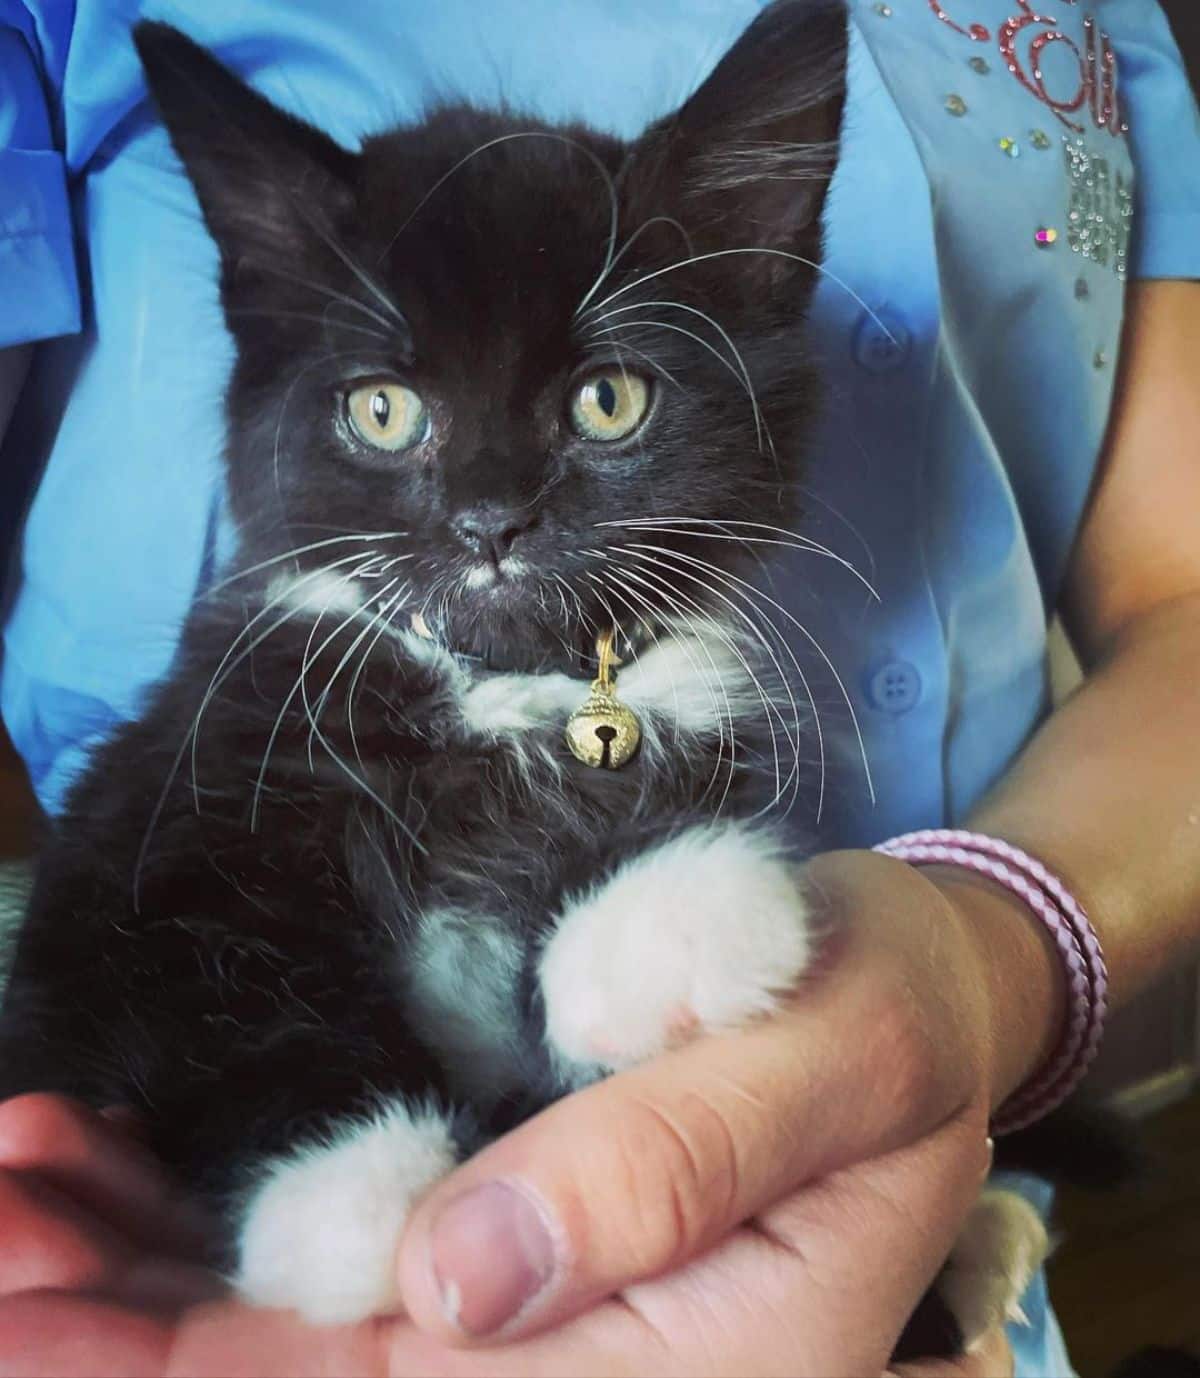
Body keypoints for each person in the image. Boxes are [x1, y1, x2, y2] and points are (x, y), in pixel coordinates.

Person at [1, 1, 1199, 1373]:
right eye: (390, 414)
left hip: (875, 1215)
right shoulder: (269, 712)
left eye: (604, 402)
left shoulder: (1115, 29)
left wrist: (986, 986)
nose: (491, 510)